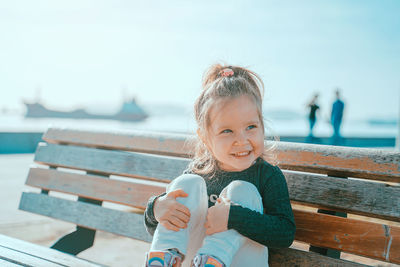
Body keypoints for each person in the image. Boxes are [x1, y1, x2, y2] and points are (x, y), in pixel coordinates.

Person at [143, 64, 296, 267]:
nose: (242, 140)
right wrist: (156, 210)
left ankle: (211, 261)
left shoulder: (267, 175)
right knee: (186, 183)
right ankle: (164, 258)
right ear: (205, 138)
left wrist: (233, 217)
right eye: (227, 131)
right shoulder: (198, 173)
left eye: (251, 127)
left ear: (262, 126)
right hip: (190, 261)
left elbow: (284, 234)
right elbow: (165, 226)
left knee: (243, 190)